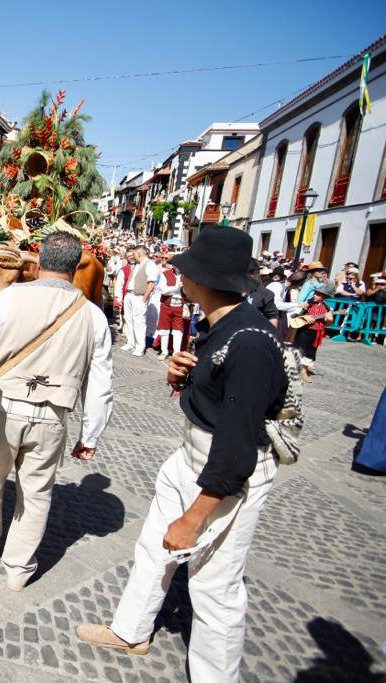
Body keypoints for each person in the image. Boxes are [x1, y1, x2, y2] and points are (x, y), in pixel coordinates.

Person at [77, 227, 288, 682]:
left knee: (215, 585)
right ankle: (132, 631)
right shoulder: (217, 325)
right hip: (190, 457)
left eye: (187, 271)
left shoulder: (249, 341)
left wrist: (196, 516)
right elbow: (214, 395)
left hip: (225, 474)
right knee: (154, 547)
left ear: (207, 279)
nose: (180, 276)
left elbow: (238, 447)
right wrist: (181, 378)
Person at [0, 231, 113, 591]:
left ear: (38, 262)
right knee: (38, 492)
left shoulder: (8, 299)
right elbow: (100, 383)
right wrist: (91, 435)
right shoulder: (94, 316)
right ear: (75, 268)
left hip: (1, 409)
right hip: (52, 417)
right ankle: (19, 567)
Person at [122, 246, 158, 356]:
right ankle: (130, 342)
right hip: (130, 294)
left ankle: (139, 347)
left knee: (139, 322)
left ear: (139, 253)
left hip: (139, 296)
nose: (133, 256)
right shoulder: (136, 265)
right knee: (128, 319)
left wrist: (144, 298)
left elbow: (151, 283)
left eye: (134, 254)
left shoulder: (150, 264)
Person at [293, 285, 333, 382]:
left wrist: (330, 320)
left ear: (324, 297)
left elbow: (327, 324)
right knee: (300, 349)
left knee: (311, 350)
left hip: (317, 332)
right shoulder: (308, 304)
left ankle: (305, 368)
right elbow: (296, 315)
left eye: (318, 295)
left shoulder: (327, 308)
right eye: (315, 293)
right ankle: (301, 370)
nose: (315, 295)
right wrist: (305, 317)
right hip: (305, 330)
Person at [154, 256, 184, 358]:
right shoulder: (165, 274)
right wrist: (176, 288)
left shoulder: (186, 275)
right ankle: (164, 351)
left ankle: (176, 352)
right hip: (166, 305)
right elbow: (162, 290)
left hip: (180, 305)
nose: (177, 266)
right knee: (164, 328)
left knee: (178, 330)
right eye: (175, 264)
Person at [245, 259, 279, 329]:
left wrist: (270, 336)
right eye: (247, 272)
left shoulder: (265, 293)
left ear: (256, 273)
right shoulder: (229, 290)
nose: (250, 276)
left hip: (252, 333)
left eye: (252, 272)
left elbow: (272, 317)